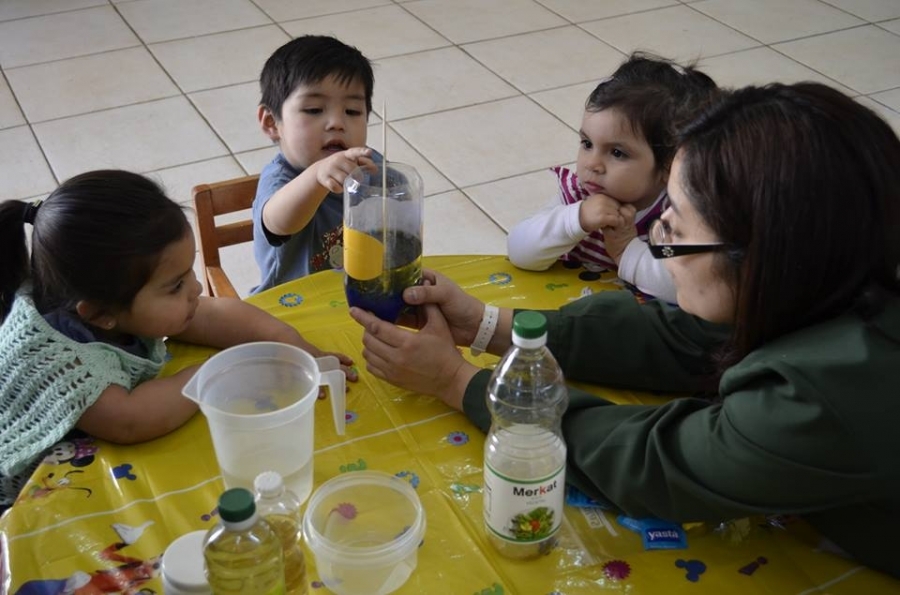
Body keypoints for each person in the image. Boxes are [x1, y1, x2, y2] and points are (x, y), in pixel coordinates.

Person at [350, 83, 900, 578]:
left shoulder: (825, 394)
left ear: (762, 259)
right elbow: (685, 339)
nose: (656, 241)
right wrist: (487, 325)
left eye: (674, 231)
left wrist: (455, 381)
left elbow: (653, 465)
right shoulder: (835, 269)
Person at [0, 170, 356, 510]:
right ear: (98, 314)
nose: (197, 289)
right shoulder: (64, 360)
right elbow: (132, 419)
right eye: (176, 285)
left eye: (189, 273)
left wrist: (288, 345)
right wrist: (215, 373)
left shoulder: (109, 302)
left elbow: (211, 316)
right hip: (14, 500)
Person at [507, 53, 718, 303]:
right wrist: (575, 220)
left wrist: (626, 250)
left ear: (668, 168)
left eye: (617, 153)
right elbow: (519, 251)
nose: (592, 164)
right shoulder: (577, 197)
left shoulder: (674, 214)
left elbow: (688, 285)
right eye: (587, 143)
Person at [253, 35, 380, 293]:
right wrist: (316, 176)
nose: (336, 123)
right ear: (271, 122)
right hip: (292, 307)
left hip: (354, 292)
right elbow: (279, 223)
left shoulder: (369, 163)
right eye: (313, 110)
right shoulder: (278, 180)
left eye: (353, 111)